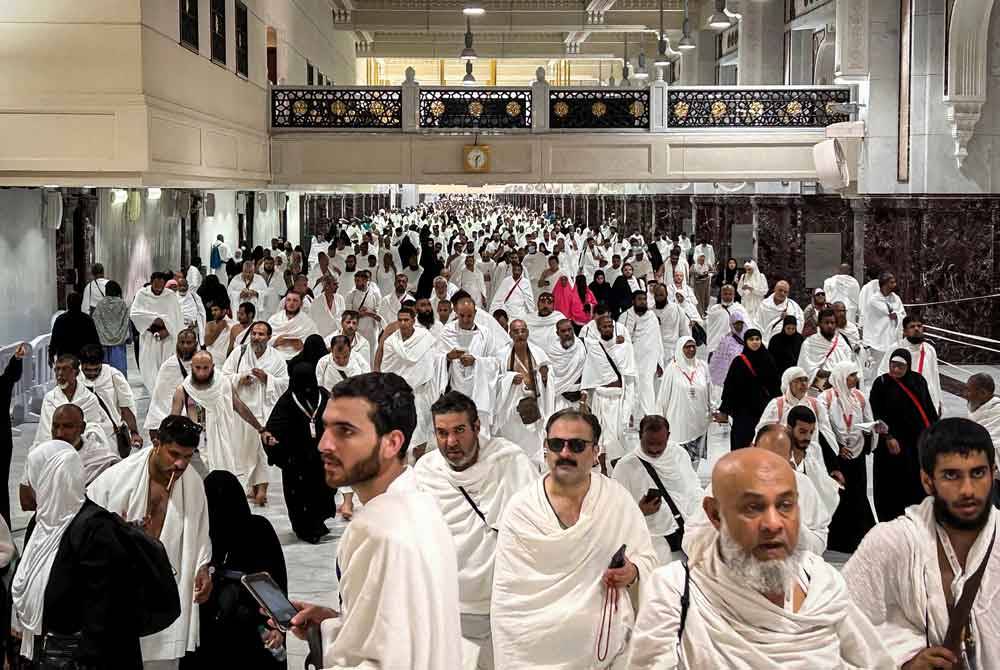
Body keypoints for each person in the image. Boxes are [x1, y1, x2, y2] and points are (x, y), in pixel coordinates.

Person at [626, 449, 894, 669]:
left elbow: (875, 662)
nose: (773, 524)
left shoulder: (822, 582)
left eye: (785, 505)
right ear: (715, 515)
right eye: (753, 507)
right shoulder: (675, 592)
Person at [282, 373, 463, 669]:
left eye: (345, 431)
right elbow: (401, 632)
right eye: (326, 428)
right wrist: (335, 624)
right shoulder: (423, 504)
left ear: (392, 442)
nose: (324, 444)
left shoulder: (376, 528)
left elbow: (381, 661)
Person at [491, 408, 658, 668]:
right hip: (534, 655)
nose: (565, 453)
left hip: (605, 652)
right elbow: (507, 597)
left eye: (577, 445)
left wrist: (633, 572)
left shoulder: (617, 501)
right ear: (546, 448)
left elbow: (646, 559)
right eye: (557, 444)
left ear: (595, 452)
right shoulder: (521, 509)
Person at [844, 418, 1000, 669]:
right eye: (951, 475)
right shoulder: (892, 542)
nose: (968, 490)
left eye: (978, 473)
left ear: (994, 473)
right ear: (928, 481)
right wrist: (903, 659)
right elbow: (842, 625)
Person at [413, 391, 537, 670]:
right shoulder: (426, 472)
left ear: (477, 427)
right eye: (442, 433)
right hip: (449, 607)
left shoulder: (509, 462)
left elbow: (537, 527)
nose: (451, 442)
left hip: (505, 604)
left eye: (459, 430)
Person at [87, 415, 213, 669]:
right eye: (174, 454)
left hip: (169, 588)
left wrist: (202, 567)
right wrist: (122, 534)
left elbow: (200, 531)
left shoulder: (193, 483)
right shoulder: (115, 481)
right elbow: (88, 532)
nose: (180, 464)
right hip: (125, 592)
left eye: (188, 457)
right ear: (156, 443)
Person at [13, 440, 140, 668]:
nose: (30, 485)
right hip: (41, 651)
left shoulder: (96, 529)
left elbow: (105, 607)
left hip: (78, 658)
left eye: (34, 476)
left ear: (48, 478)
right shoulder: (40, 523)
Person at [193, 470, 288, 669]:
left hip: (253, 628)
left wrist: (279, 627)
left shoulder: (258, 531)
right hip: (215, 631)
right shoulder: (200, 535)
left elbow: (275, 582)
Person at [613, 414, 704, 565]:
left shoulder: (679, 455)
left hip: (686, 534)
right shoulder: (625, 466)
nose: (654, 449)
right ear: (640, 435)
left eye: (659, 443)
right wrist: (639, 511)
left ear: (668, 436)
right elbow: (615, 512)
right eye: (649, 443)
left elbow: (693, 490)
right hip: (653, 540)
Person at [263, 362, 338, 543]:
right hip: (296, 460)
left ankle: (317, 523)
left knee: (322, 491)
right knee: (300, 496)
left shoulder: (323, 396)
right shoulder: (288, 400)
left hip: (321, 457)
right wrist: (273, 443)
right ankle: (305, 528)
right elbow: (273, 427)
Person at [171, 351, 274, 480]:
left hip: (222, 444)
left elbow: (239, 407)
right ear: (191, 367)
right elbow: (173, 421)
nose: (202, 372)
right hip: (196, 447)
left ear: (213, 367)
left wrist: (261, 429)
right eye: (197, 368)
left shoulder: (223, 384)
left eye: (205, 368)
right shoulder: (183, 390)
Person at [221, 321, 289, 504]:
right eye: (254, 333)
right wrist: (240, 378)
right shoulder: (239, 353)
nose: (256, 337)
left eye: (261, 334)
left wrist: (267, 378)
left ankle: (262, 489)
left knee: (262, 449)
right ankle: (250, 485)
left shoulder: (277, 358)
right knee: (244, 448)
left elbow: (285, 383)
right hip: (243, 410)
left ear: (268, 337)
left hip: (266, 408)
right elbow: (224, 376)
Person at [869, 348, 939, 521]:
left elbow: (928, 409)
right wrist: (889, 437)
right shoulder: (882, 383)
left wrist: (935, 433)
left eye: (901, 366)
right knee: (891, 484)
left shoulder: (918, 381)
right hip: (891, 446)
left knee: (915, 483)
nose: (896, 370)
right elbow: (874, 414)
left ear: (908, 366)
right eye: (893, 365)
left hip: (915, 444)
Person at [821, 360, 877, 552]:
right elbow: (824, 427)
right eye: (851, 375)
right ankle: (839, 540)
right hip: (837, 456)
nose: (856, 378)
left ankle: (858, 537)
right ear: (841, 377)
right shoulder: (826, 398)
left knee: (857, 493)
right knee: (839, 494)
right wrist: (837, 447)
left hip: (857, 452)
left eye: (855, 374)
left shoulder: (859, 397)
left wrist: (870, 432)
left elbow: (868, 420)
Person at [377, 307, 446, 461]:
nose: (403, 323)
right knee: (400, 434)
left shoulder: (425, 338)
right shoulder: (391, 342)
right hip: (400, 397)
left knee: (420, 435)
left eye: (406, 320)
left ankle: (419, 467)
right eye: (400, 320)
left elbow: (432, 362)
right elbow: (387, 368)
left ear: (413, 321)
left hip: (421, 394)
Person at [438, 297, 507, 431]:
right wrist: (447, 357)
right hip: (455, 390)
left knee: (477, 431)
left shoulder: (485, 334)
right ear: (456, 313)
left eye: (469, 315)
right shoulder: (447, 332)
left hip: (479, 390)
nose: (465, 319)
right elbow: (434, 360)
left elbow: (497, 361)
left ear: (475, 313)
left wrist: (477, 361)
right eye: (462, 315)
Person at [494, 319, 553, 467]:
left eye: (522, 331)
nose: (520, 334)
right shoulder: (502, 355)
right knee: (513, 452)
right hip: (511, 409)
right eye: (516, 331)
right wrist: (510, 378)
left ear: (527, 332)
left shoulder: (538, 353)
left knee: (533, 452)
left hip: (533, 407)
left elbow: (549, 381)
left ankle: (533, 478)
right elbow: (494, 381)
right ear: (510, 333)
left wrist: (544, 377)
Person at [582, 314, 636, 469]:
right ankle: (604, 468)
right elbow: (589, 372)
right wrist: (585, 395)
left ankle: (618, 467)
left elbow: (630, 377)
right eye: (604, 326)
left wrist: (630, 404)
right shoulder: (594, 348)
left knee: (617, 436)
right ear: (599, 329)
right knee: (603, 436)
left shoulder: (624, 347)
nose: (608, 329)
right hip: (601, 398)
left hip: (618, 399)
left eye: (610, 326)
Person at [716, 328, 780, 451]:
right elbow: (730, 386)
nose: (755, 342)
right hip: (743, 412)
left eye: (757, 339)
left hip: (763, 411)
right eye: (751, 339)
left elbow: (775, 385)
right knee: (742, 444)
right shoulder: (738, 362)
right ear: (746, 341)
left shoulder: (768, 359)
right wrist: (725, 409)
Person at [656, 337, 713, 470]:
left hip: (699, 421)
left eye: (693, 346)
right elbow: (663, 397)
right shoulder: (672, 369)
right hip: (678, 422)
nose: (691, 349)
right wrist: (659, 418)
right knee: (679, 459)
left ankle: (692, 483)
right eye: (687, 347)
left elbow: (710, 390)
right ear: (680, 349)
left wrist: (712, 409)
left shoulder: (702, 366)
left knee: (695, 459)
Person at [31, 353, 111, 447]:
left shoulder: (89, 399)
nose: (60, 374)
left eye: (65, 369)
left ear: (76, 372)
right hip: (53, 449)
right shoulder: (50, 398)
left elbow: (94, 431)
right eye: (57, 369)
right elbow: (45, 432)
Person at [78, 343, 142, 453]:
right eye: (88, 370)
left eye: (96, 369)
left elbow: (126, 407)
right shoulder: (75, 378)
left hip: (112, 438)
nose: (93, 374)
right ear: (81, 364)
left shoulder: (113, 375)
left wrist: (134, 432)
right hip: (83, 439)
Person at [876, 315, 943, 414]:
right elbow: (882, 373)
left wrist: (939, 401)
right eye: (912, 327)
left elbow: (935, 377)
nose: (916, 329)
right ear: (904, 331)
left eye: (919, 326)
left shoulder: (929, 349)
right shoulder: (896, 348)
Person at [130, 273, 185, 393]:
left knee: (166, 368)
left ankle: (165, 394)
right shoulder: (142, 294)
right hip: (149, 337)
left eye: (161, 287)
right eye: (156, 286)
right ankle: (154, 393)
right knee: (149, 369)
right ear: (151, 282)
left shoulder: (170, 296)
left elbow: (177, 317)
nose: (158, 290)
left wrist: (167, 328)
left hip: (168, 338)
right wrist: (154, 319)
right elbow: (135, 314)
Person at [144, 328, 198, 440]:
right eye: (182, 342)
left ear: (196, 343)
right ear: (177, 343)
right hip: (170, 416)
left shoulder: (202, 363)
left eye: (189, 342)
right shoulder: (168, 366)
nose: (185, 346)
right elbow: (158, 399)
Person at [620, 290, 666, 422]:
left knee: (646, 387)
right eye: (639, 299)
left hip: (648, 360)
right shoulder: (625, 317)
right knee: (631, 388)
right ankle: (629, 416)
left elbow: (658, 339)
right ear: (633, 301)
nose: (642, 302)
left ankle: (648, 416)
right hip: (630, 360)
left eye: (644, 299)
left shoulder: (652, 317)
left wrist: (659, 361)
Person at [862, 271, 906, 371]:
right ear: (884, 284)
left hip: (893, 339)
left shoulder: (896, 298)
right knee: (877, 368)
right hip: (878, 340)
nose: (895, 285)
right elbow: (884, 314)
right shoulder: (874, 300)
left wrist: (897, 315)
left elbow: (902, 314)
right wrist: (893, 314)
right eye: (892, 282)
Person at [797, 307, 853, 382]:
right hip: (816, 389)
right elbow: (804, 367)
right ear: (820, 324)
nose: (830, 326)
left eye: (832, 323)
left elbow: (848, 365)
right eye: (826, 323)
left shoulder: (842, 342)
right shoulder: (809, 343)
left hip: (838, 386)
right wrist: (824, 373)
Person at [49, 292, 101, 365]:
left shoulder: (60, 320)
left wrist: (51, 354)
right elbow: (95, 340)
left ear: (68, 304)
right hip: (83, 359)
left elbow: (54, 340)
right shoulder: (88, 320)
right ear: (80, 303)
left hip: (65, 358)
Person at [546, 318, 587, 412]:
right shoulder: (551, 351)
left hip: (581, 397)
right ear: (557, 333)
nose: (567, 333)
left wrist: (583, 399)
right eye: (563, 331)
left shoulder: (583, 345)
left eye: (569, 329)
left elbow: (589, 372)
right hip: (560, 397)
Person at [92, 280, 131, 374]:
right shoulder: (122, 304)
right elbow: (126, 322)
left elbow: (96, 320)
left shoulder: (101, 304)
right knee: (119, 371)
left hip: (103, 343)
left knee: (105, 371)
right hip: (119, 343)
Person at [267, 291, 319, 360]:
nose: (291, 303)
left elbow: (315, 342)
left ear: (301, 304)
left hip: (298, 357)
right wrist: (276, 340)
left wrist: (302, 345)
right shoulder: (274, 319)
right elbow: (264, 339)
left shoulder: (308, 322)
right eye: (288, 300)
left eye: (295, 300)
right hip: (276, 355)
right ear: (285, 302)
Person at [708, 307, 750, 389]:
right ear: (732, 324)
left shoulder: (748, 338)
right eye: (736, 323)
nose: (739, 326)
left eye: (741, 323)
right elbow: (719, 361)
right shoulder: (726, 340)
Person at [756, 280, 803, 345]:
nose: (782, 293)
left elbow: (800, 323)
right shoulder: (764, 305)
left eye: (785, 292)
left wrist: (788, 319)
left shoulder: (793, 307)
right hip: (764, 342)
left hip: (786, 344)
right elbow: (757, 324)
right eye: (780, 290)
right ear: (775, 289)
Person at [967, 373, 1000, 452]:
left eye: (968, 390)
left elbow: (993, 443)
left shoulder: (997, 412)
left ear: (983, 393)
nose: (965, 394)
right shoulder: (975, 406)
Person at [175, 277, 207, 345]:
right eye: (180, 286)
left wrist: (197, 323)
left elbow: (202, 313)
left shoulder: (195, 297)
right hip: (178, 330)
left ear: (188, 286)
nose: (183, 288)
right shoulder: (173, 298)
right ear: (177, 286)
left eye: (184, 285)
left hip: (193, 330)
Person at [201, 301, 232, 367]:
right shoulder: (210, 324)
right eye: (212, 310)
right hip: (211, 359)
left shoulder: (233, 325)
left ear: (224, 311)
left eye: (216, 310)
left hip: (226, 361)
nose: (213, 313)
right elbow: (207, 342)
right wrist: (219, 328)